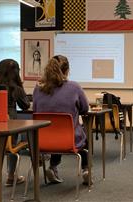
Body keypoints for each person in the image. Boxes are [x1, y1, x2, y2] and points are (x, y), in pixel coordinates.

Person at [33, 55, 90, 184]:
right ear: (66, 70)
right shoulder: (74, 87)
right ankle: (86, 170)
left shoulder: (38, 87)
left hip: (43, 139)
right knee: (84, 137)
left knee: (55, 130)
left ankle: (53, 167)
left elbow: (35, 111)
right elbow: (85, 109)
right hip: (69, 139)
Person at [0, 59, 30, 186]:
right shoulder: (15, 88)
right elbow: (25, 105)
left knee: (8, 135)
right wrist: (21, 87)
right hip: (6, 137)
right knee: (21, 135)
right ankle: (11, 175)